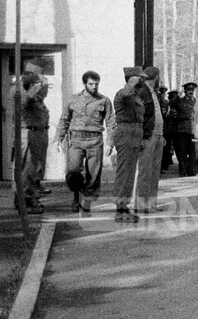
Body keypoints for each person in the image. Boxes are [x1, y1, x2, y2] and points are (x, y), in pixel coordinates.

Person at [57, 69, 114, 215]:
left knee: (93, 174)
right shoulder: (73, 99)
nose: (94, 87)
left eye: (96, 84)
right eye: (91, 84)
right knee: (73, 170)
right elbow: (64, 119)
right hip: (76, 139)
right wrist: (59, 138)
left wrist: (110, 143)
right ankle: (76, 194)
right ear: (85, 84)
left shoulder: (104, 100)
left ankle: (86, 200)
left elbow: (111, 122)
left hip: (95, 140)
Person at [112, 67, 149, 222]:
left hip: (135, 133)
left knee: (130, 173)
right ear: (132, 79)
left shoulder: (136, 95)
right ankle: (120, 210)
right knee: (124, 173)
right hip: (125, 133)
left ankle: (124, 207)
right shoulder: (123, 93)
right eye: (140, 78)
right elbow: (125, 94)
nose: (143, 80)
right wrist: (132, 82)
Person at [16, 67, 49, 213]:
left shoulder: (35, 99)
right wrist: (40, 82)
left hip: (35, 134)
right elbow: (30, 98)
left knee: (31, 169)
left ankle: (26, 199)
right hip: (28, 135)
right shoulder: (24, 96)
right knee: (27, 170)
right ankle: (26, 202)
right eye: (39, 85)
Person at [135, 67, 167, 212]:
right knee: (145, 172)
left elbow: (157, 115)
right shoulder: (142, 92)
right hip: (147, 137)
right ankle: (141, 205)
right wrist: (140, 137)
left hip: (158, 135)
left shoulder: (155, 93)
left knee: (155, 171)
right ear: (156, 77)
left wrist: (161, 134)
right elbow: (138, 117)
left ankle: (151, 204)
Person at [173, 82, 197, 175]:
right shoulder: (180, 100)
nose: (191, 91)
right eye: (189, 90)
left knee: (192, 152)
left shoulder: (195, 101)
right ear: (185, 91)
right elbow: (172, 103)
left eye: (192, 90)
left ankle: (192, 171)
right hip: (182, 130)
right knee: (182, 152)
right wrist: (177, 95)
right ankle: (182, 171)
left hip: (193, 131)